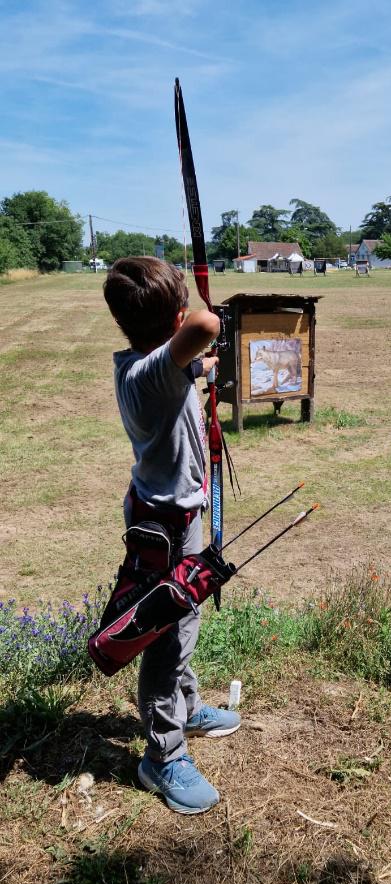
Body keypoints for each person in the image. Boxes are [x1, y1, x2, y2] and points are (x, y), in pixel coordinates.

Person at [103, 256, 240, 816]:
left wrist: (207, 368)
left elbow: (194, 357)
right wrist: (200, 308)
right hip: (164, 526)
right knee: (163, 636)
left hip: (173, 518)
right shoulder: (150, 372)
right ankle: (161, 754)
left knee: (184, 619)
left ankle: (185, 704)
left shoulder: (151, 366)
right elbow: (206, 327)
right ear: (177, 316)